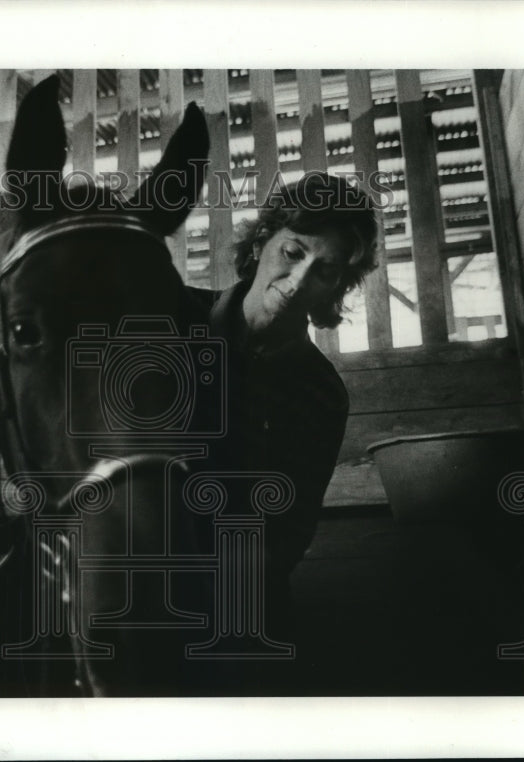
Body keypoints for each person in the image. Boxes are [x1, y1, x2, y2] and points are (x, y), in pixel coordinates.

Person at [187, 171, 380, 661]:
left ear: (338, 286)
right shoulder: (171, 321)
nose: (299, 282)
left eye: (326, 270)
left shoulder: (321, 394)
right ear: (258, 245)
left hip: (234, 605)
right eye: (292, 253)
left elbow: (287, 534)